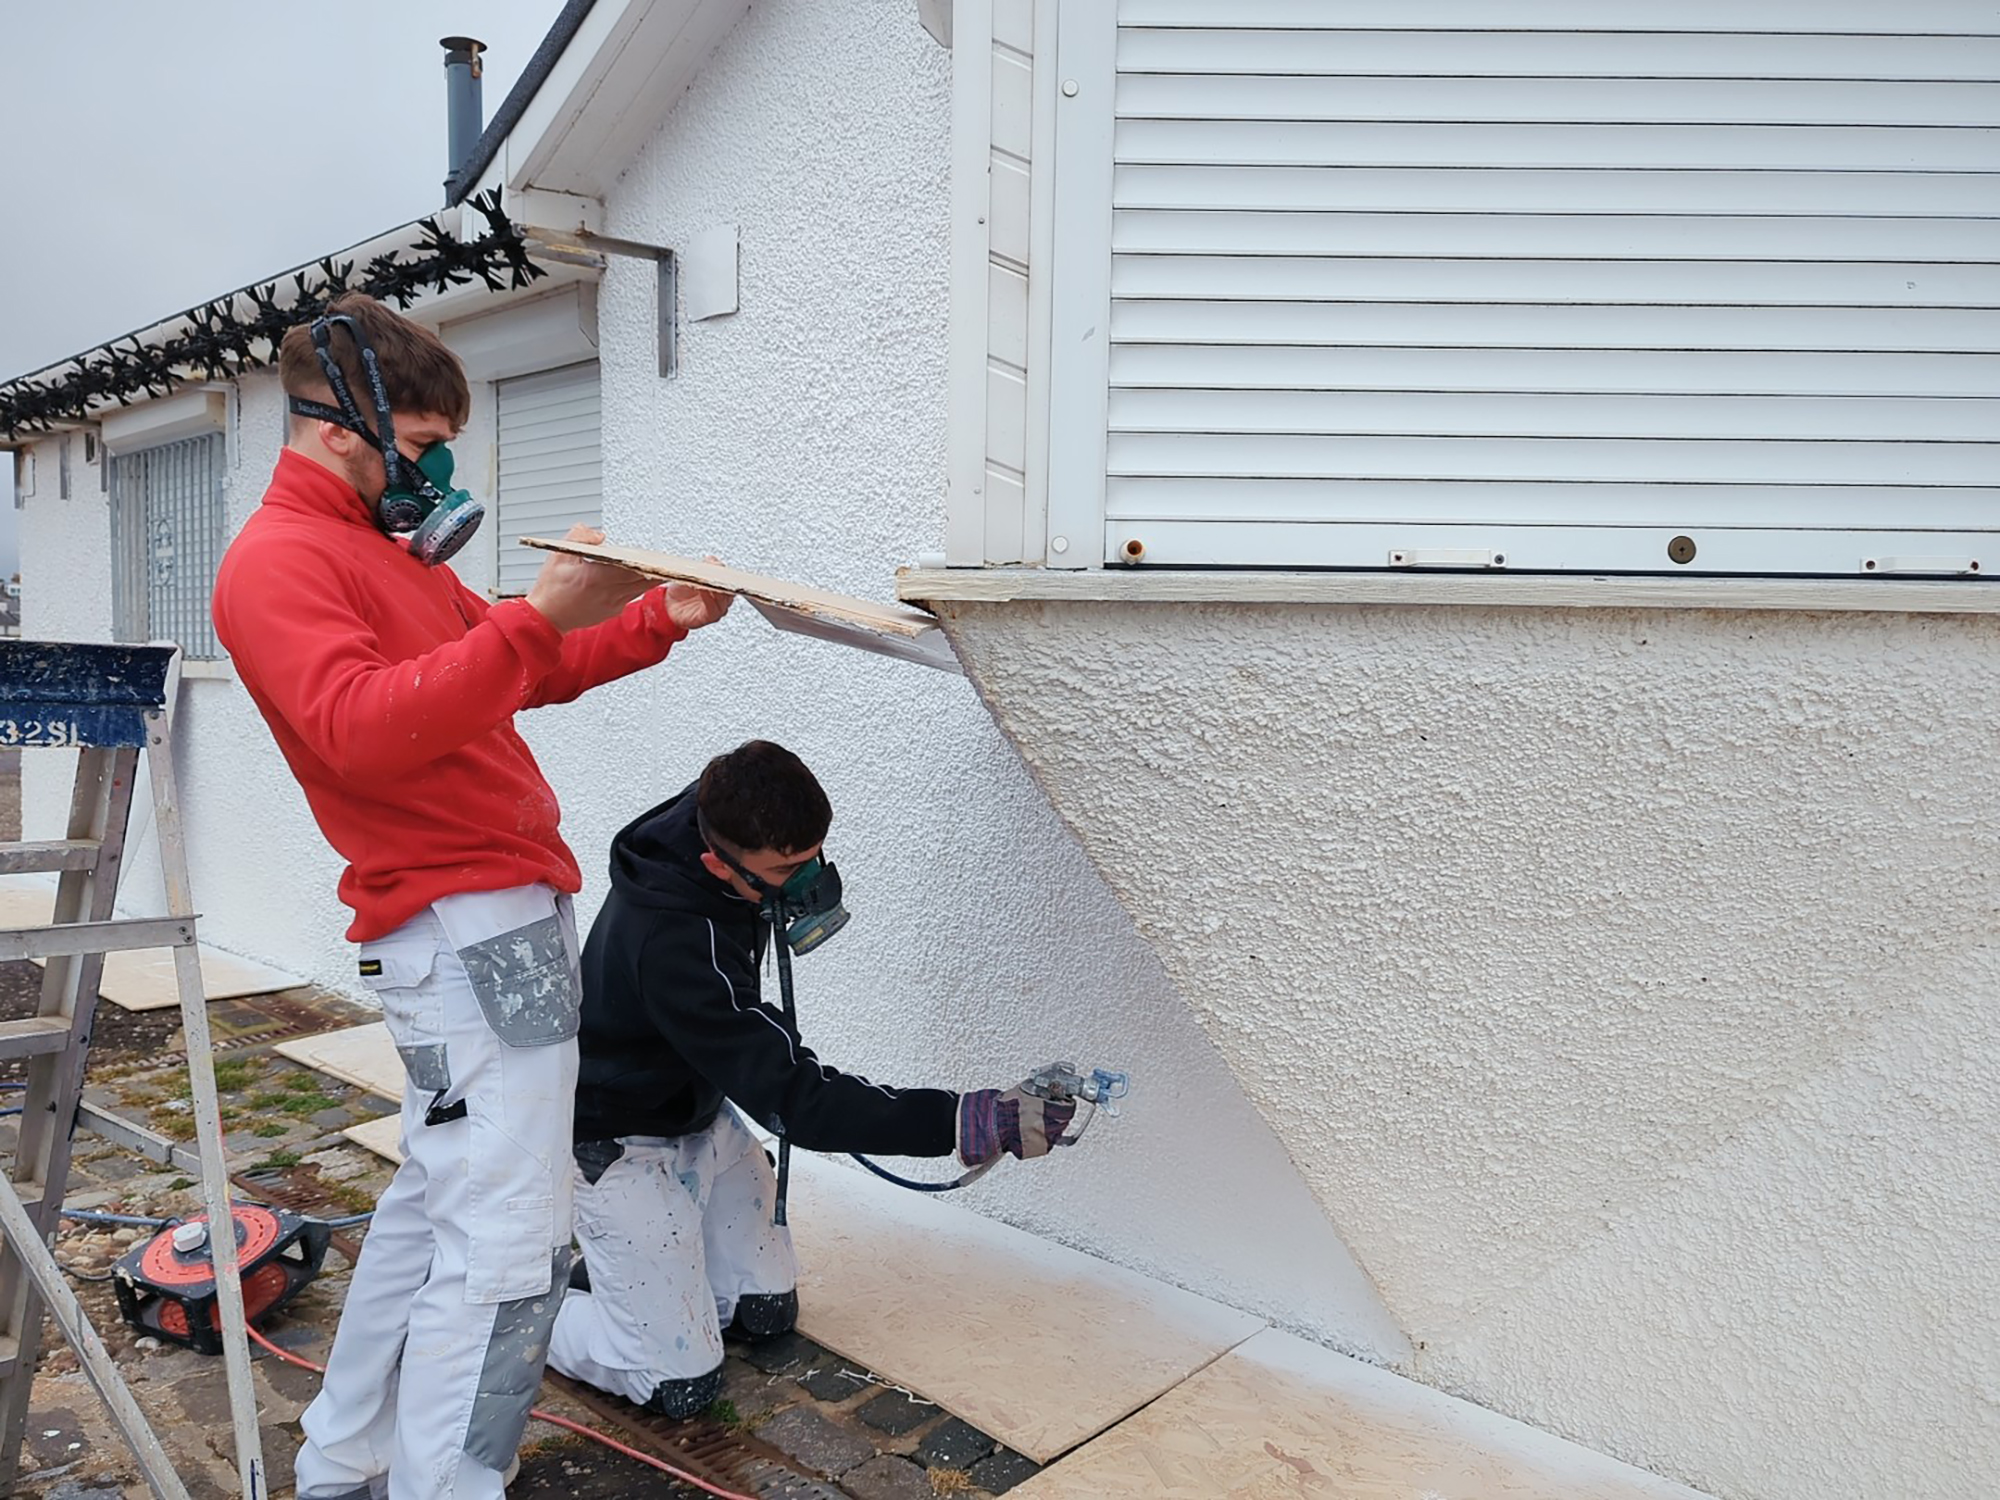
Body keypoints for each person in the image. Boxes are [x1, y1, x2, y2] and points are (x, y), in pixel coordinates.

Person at [210, 291, 731, 1500]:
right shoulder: (276, 563)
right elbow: (356, 734)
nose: (443, 467)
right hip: (464, 928)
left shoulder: (377, 552)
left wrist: (654, 618)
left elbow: (511, 668)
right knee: (505, 1251)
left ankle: (343, 1461)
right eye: (429, 442)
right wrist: (532, 620)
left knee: (429, 1204)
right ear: (346, 427)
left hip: (493, 922)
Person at [547, 739, 1076, 1416]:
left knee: (765, 1311)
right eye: (787, 870)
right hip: (620, 1137)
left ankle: (634, 1277)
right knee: (678, 1384)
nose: (807, 883)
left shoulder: (718, 816)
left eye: (813, 857)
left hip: (699, 1112)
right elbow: (800, 1100)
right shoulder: (674, 944)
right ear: (718, 863)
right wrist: (967, 1120)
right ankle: (533, 1308)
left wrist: (778, 873)